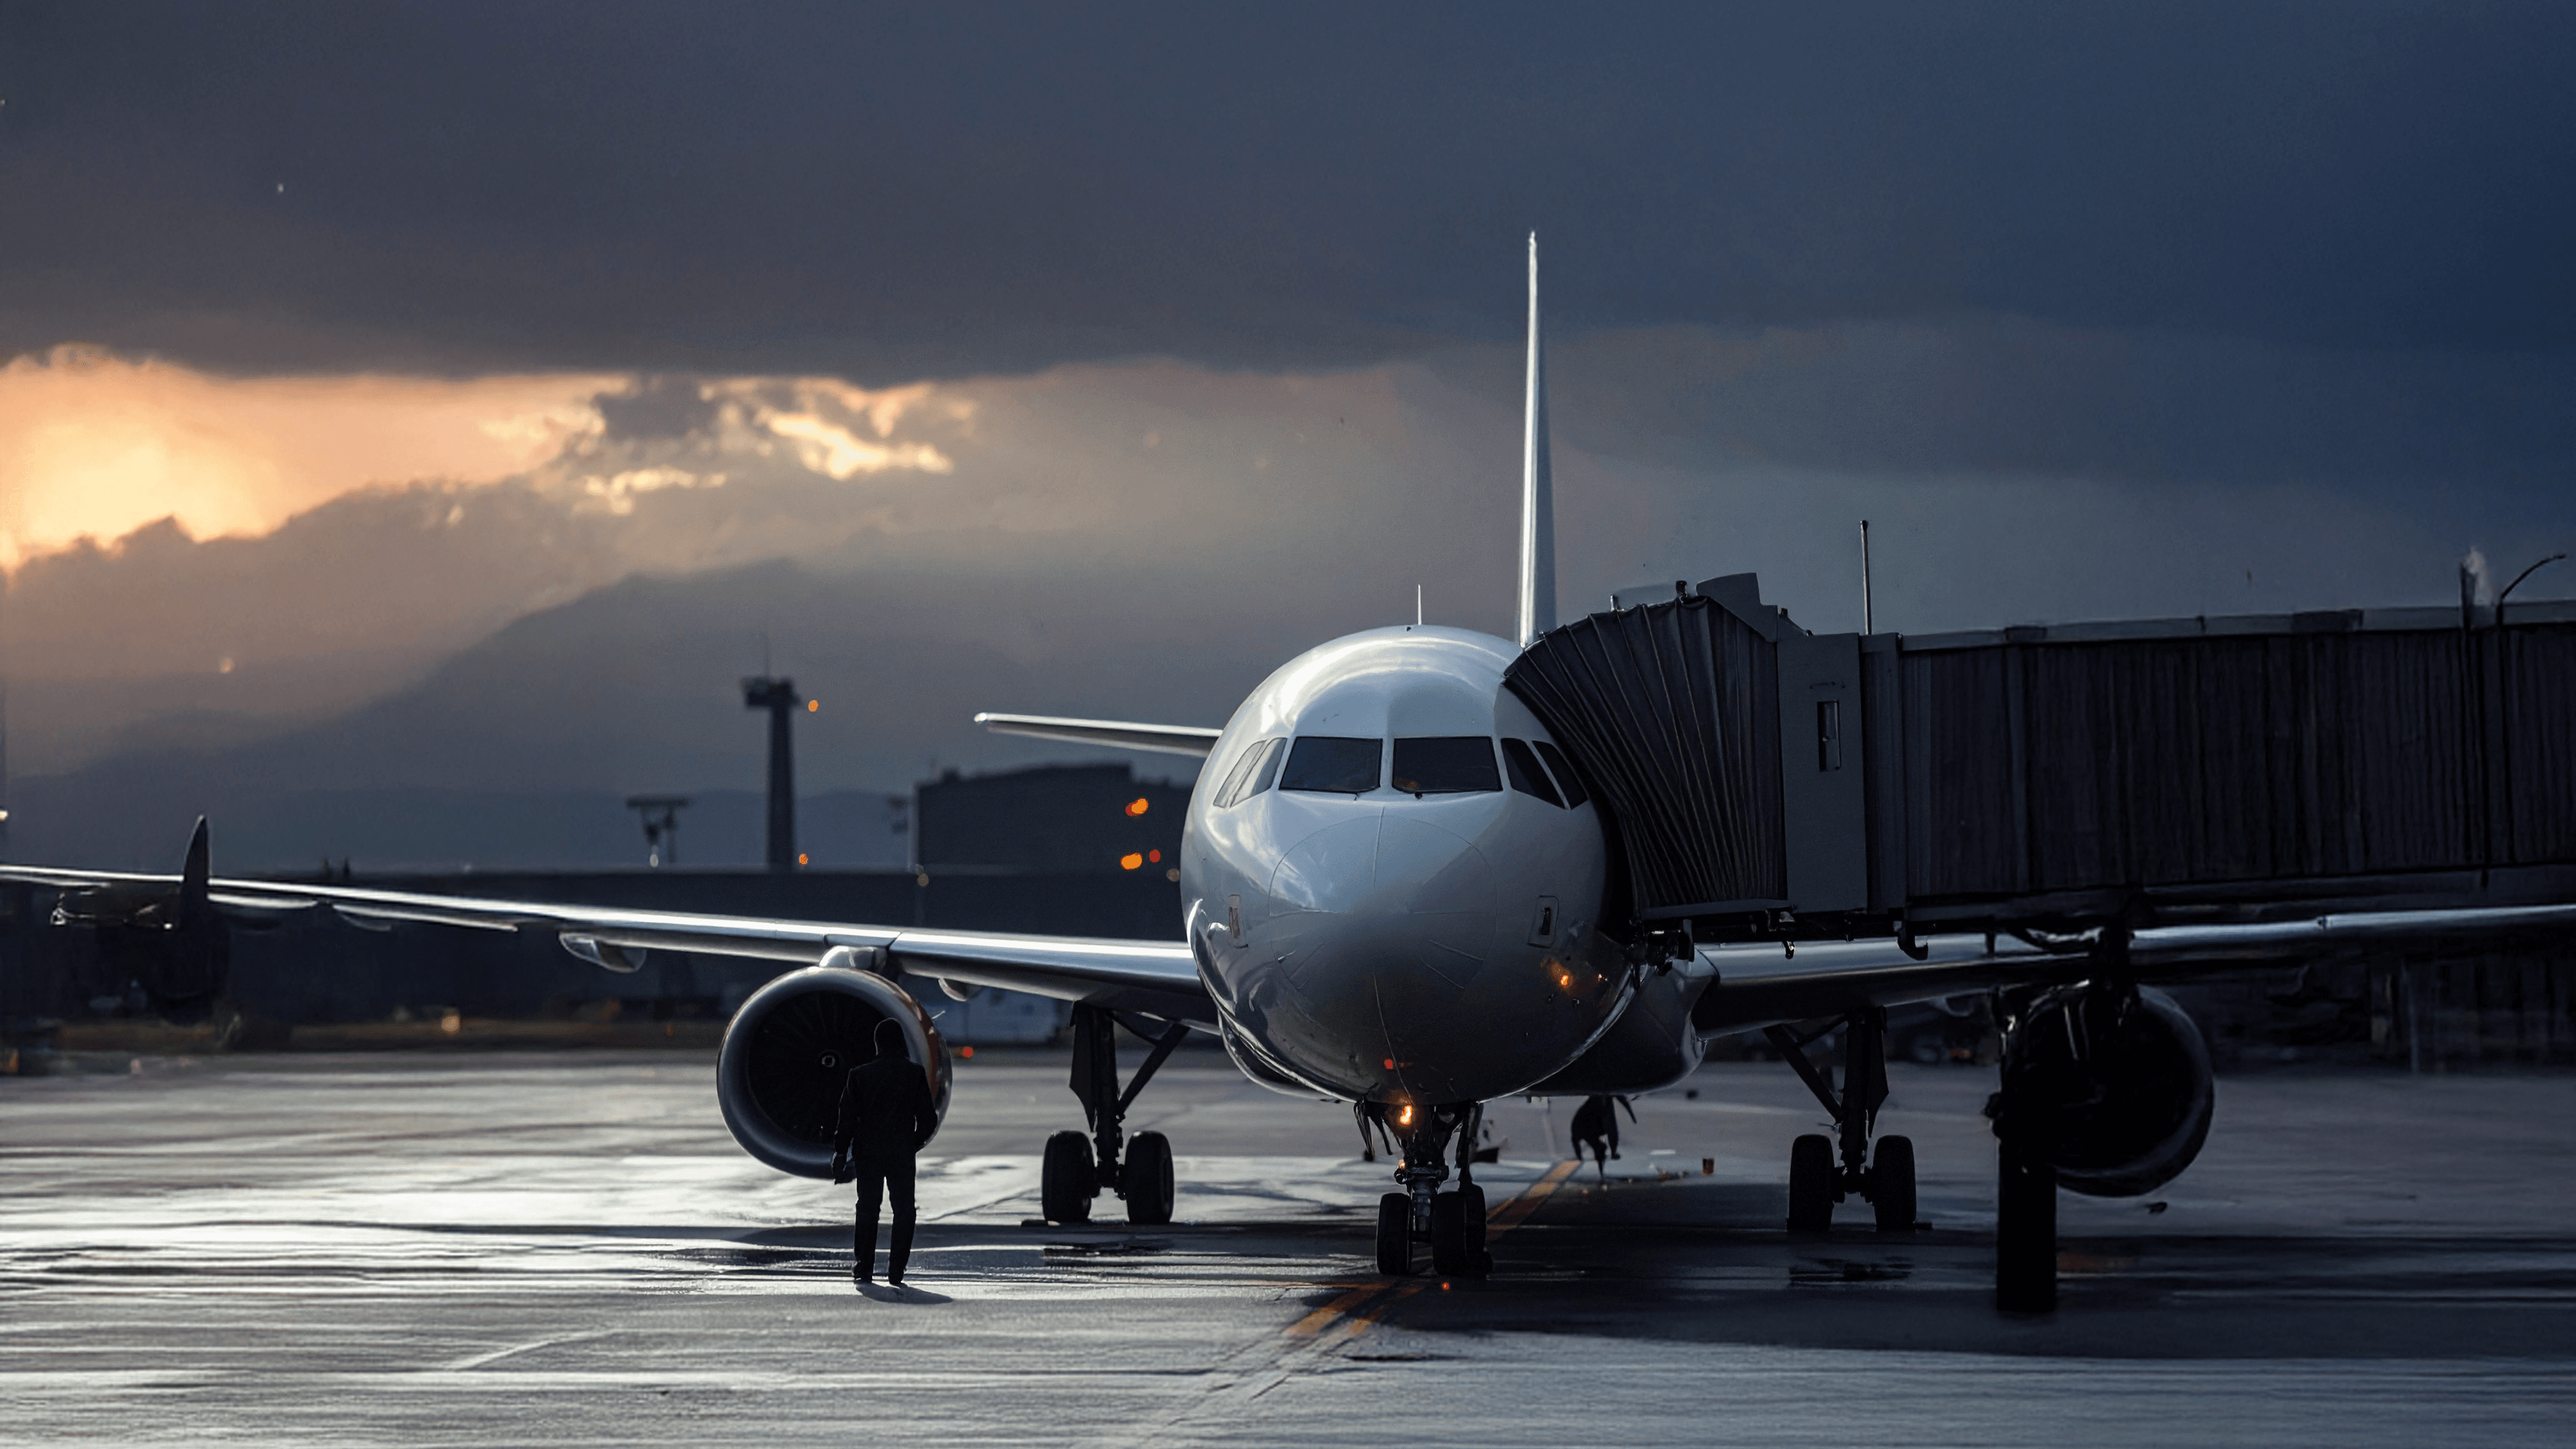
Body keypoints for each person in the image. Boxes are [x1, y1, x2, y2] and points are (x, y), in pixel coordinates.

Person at [831, 1018, 936, 1288]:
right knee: (904, 1211)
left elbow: (847, 1119)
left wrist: (841, 1153)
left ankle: (863, 1267)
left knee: (867, 1209)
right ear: (901, 1041)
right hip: (901, 1152)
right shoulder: (914, 1074)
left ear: (876, 1044)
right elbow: (927, 1120)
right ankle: (896, 1269)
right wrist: (912, 1143)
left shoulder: (859, 1075)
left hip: (868, 1152)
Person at [1568, 1094, 1635, 1180]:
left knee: (1605, 1139)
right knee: (1602, 1145)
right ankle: (1602, 1169)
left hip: (1593, 1125)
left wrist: (1579, 1155)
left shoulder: (1595, 1107)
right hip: (1590, 1126)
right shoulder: (1585, 1119)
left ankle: (1603, 1166)